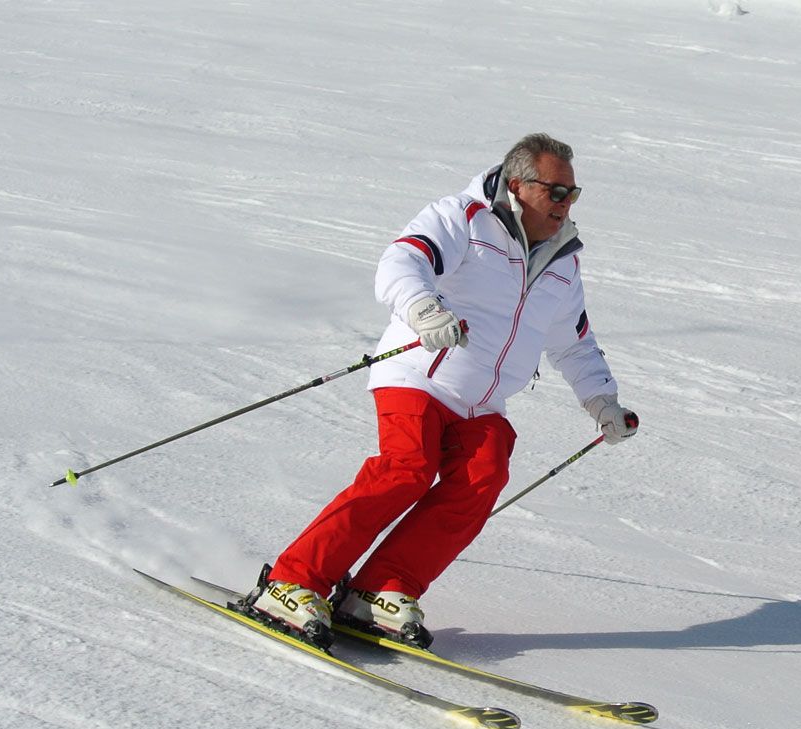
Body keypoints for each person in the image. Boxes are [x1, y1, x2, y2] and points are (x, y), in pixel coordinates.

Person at [247, 133, 637, 649]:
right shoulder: (465, 218)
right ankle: (293, 582)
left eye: (573, 194)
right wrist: (423, 310)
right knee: (406, 470)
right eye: (556, 192)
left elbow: (575, 342)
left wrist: (602, 402)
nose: (565, 205)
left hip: (482, 400)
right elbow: (401, 261)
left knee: (484, 472)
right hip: (420, 375)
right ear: (519, 186)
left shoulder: (564, 258)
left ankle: (380, 590)